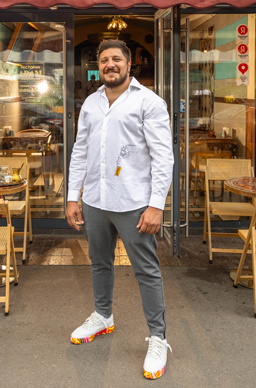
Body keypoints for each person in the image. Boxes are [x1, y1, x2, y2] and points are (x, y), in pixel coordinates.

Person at [67, 39, 174, 380]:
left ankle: (158, 338)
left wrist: (156, 205)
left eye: (116, 58)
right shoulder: (91, 103)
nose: (110, 64)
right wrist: (72, 197)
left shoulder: (149, 102)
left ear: (129, 64)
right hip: (95, 201)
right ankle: (103, 316)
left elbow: (163, 157)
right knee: (99, 263)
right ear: (98, 66)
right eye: (104, 60)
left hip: (133, 203)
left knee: (146, 270)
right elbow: (80, 151)